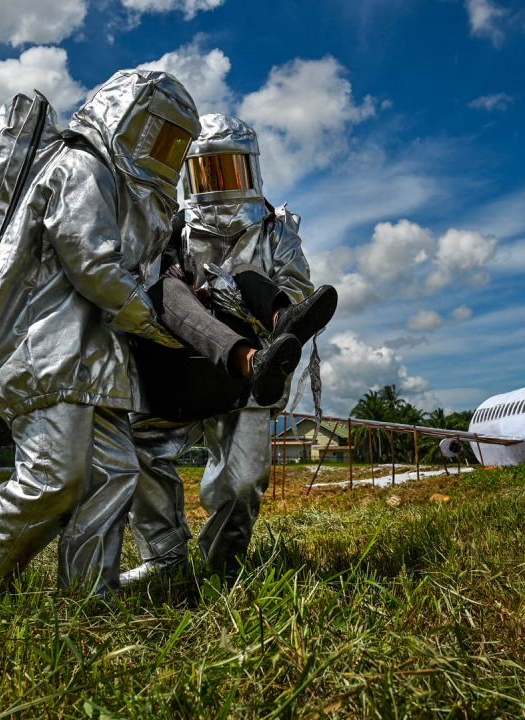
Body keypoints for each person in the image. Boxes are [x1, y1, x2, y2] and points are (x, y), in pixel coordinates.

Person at [0, 69, 204, 594]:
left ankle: (89, 595)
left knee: (114, 478)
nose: (162, 150)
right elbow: (92, 263)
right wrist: (155, 323)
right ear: (126, 115)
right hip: (49, 356)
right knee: (53, 478)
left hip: (102, 368)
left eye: (173, 142)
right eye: (156, 132)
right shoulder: (81, 165)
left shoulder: (127, 193)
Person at [122, 114, 337, 586]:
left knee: (242, 484)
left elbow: (301, 287)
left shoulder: (275, 229)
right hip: (182, 364)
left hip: (254, 374)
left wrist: (239, 298)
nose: (221, 183)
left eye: (231, 169)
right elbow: (146, 289)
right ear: (189, 175)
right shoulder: (172, 227)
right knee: (136, 450)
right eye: (208, 171)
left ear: (251, 168)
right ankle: (165, 558)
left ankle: (224, 568)